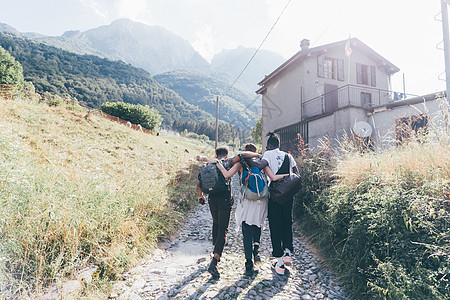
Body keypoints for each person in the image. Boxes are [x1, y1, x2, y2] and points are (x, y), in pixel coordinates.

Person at [214, 143, 287, 276]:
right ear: (255, 152)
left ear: (245, 152)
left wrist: (218, 164)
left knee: (246, 230)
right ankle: (256, 251)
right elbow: (274, 178)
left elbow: (226, 175)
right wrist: (288, 175)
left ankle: (249, 263)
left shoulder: (241, 163)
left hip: (248, 200)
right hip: (261, 200)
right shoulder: (262, 163)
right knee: (258, 225)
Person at [196, 146, 260, 279]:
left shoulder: (209, 164)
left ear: (215, 154)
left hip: (212, 199)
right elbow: (242, 155)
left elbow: (198, 183)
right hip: (224, 199)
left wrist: (200, 196)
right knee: (223, 229)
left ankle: (215, 249)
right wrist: (258, 155)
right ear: (226, 154)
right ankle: (215, 261)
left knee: (216, 224)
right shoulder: (227, 162)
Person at [262, 132, 299, 276]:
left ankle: (279, 262)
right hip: (288, 195)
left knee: (275, 225)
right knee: (287, 222)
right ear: (279, 144)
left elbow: (261, 166)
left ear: (269, 145)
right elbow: (296, 173)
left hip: (275, 195)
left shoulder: (267, 155)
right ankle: (288, 251)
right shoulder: (288, 156)